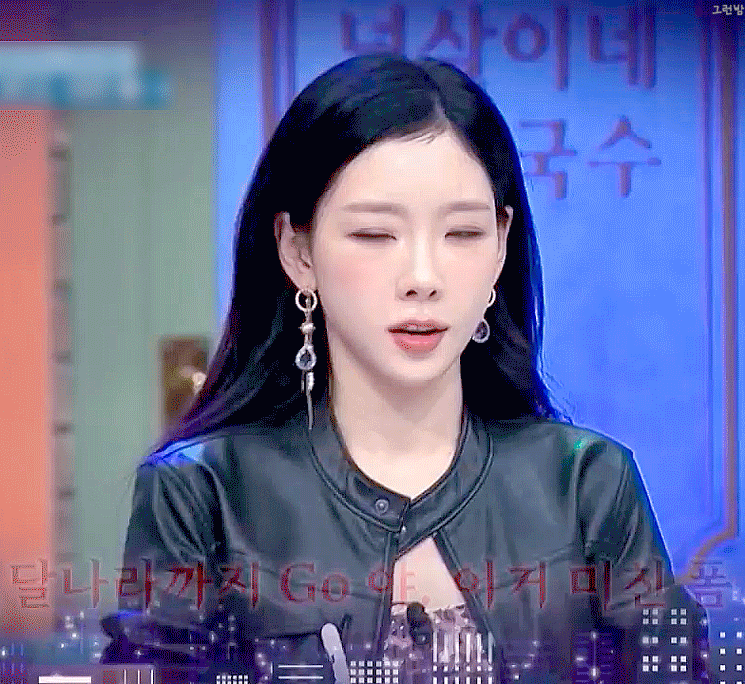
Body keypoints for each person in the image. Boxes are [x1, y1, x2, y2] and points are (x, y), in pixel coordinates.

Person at [100, 53, 712, 683]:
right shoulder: (201, 493)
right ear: (298, 252)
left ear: (501, 245)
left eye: (462, 234)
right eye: (374, 235)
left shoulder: (587, 482)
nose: (423, 278)